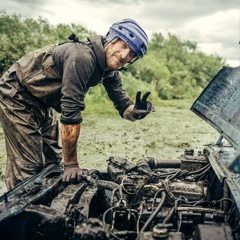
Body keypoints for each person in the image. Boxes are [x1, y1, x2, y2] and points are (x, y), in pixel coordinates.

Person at [0, 18, 155, 189]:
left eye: (132, 54)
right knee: (29, 165)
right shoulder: (82, 57)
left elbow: (123, 105)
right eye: (124, 46)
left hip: (42, 101)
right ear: (111, 39)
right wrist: (72, 163)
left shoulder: (110, 72)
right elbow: (71, 113)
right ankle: (20, 209)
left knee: (53, 159)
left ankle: (50, 201)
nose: (125, 56)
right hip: (18, 93)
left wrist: (135, 111)